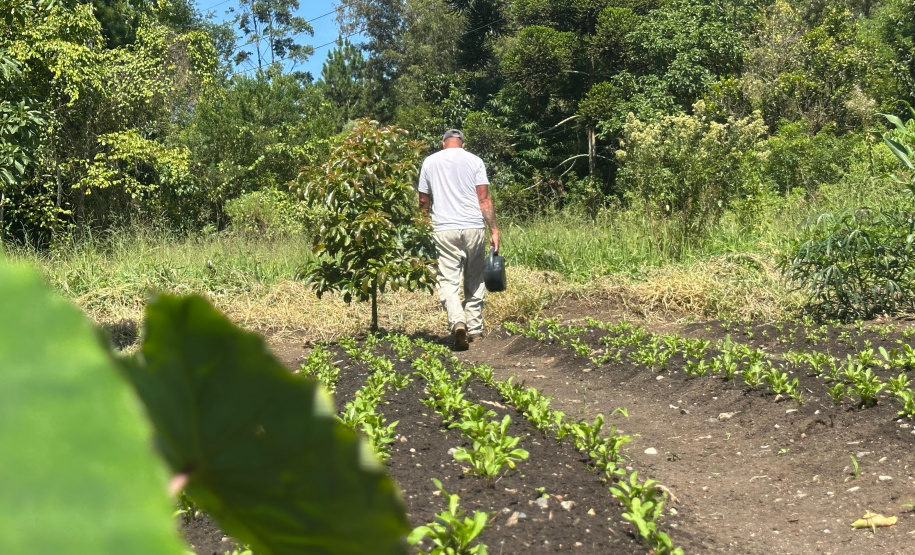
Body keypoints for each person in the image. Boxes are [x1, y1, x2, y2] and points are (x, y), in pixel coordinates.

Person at [418, 129, 499, 351]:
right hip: (473, 227)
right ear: (463, 144)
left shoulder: (430, 161)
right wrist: (494, 230)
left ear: (443, 143)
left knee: (448, 280)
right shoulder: (475, 161)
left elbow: (424, 200)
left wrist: (421, 225)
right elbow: (484, 199)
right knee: (475, 278)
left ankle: (458, 322)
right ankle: (475, 330)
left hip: (444, 229)